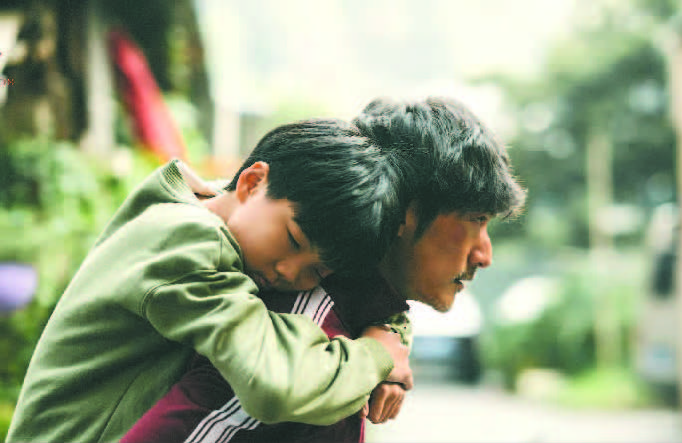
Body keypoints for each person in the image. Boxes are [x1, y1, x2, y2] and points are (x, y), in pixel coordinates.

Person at [121, 96, 527, 443]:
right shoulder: (302, 339)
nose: (484, 254)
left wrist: (389, 332)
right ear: (407, 210)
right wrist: (378, 355)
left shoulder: (351, 315)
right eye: (476, 219)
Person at [5, 119, 415, 443]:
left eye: (318, 272)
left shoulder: (209, 212)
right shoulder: (189, 244)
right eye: (292, 239)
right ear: (253, 182)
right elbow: (272, 383)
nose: (290, 273)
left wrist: (389, 326)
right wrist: (377, 355)